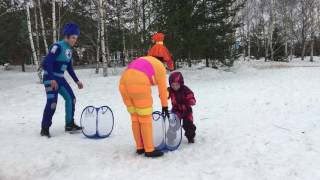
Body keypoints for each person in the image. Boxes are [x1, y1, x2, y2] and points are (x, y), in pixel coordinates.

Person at [119, 55, 172, 157]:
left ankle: (140, 147)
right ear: (163, 62)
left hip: (123, 82)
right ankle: (149, 149)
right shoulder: (160, 67)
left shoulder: (147, 59)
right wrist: (165, 106)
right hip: (138, 83)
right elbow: (162, 89)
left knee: (135, 118)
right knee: (145, 118)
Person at [40, 22, 84, 138]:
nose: (75, 40)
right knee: (52, 103)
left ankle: (69, 124)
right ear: (67, 36)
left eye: (76, 38)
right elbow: (46, 63)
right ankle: (44, 129)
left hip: (60, 78)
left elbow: (69, 67)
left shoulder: (69, 50)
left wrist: (77, 81)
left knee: (71, 99)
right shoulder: (58, 46)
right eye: (73, 37)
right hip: (50, 78)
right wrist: (52, 78)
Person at [168, 72, 196, 143]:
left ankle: (190, 137)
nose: (175, 87)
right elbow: (164, 96)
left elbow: (192, 99)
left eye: (177, 85)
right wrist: (164, 93)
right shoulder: (170, 90)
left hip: (186, 110)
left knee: (188, 125)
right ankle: (170, 138)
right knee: (173, 124)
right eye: (173, 85)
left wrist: (189, 101)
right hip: (176, 110)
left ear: (181, 83)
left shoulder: (185, 89)